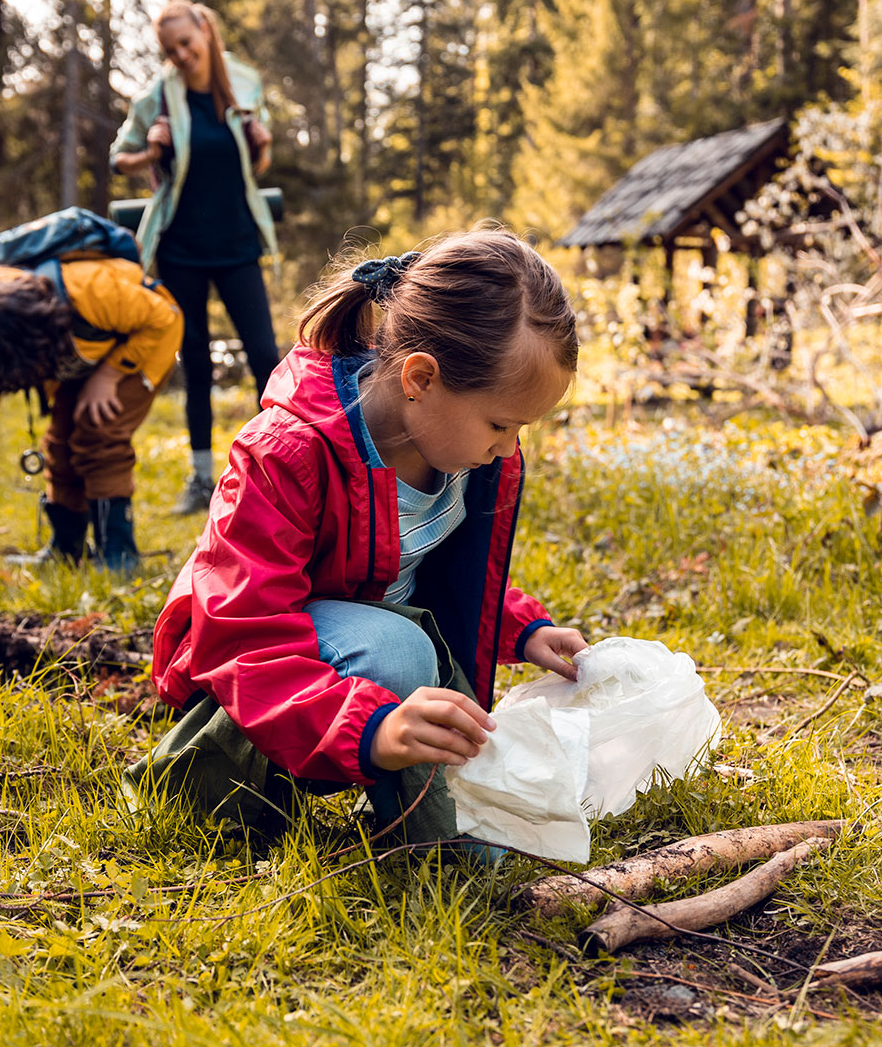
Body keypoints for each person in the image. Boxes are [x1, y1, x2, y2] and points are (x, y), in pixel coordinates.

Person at [137, 231, 590, 850]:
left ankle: (426, 827)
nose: (509, 448)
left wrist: (523, 628)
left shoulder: (462, 454)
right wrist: (372, 731)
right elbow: (241, 632)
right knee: (397, 650)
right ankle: (201, 775)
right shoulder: (285, 451)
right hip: (262, 686)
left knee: (479, 807)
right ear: (421, 378)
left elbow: (418, 567)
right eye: (501, 424)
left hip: (366, 667)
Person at [0, 256, 182, 572]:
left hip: (144, 345)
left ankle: (119, 556)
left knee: (97, 432)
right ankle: (66, 550)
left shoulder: (94, 292)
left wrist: (110, 375)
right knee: (60, 445)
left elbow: (165, 317)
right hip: (81, 358)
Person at [110, 0, 280, 516]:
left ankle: (277, 470)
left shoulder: (245, 82)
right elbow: (120, 158)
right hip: (181, 247)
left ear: (206, 30)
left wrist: (263, 144)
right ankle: (202, 478)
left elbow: (258, 161)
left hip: (237, 243)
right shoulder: (158, 96)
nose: (181, 55)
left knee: (265, 356)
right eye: (171, 49)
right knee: (197, 363)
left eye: (187, 42)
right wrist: (150, 151)